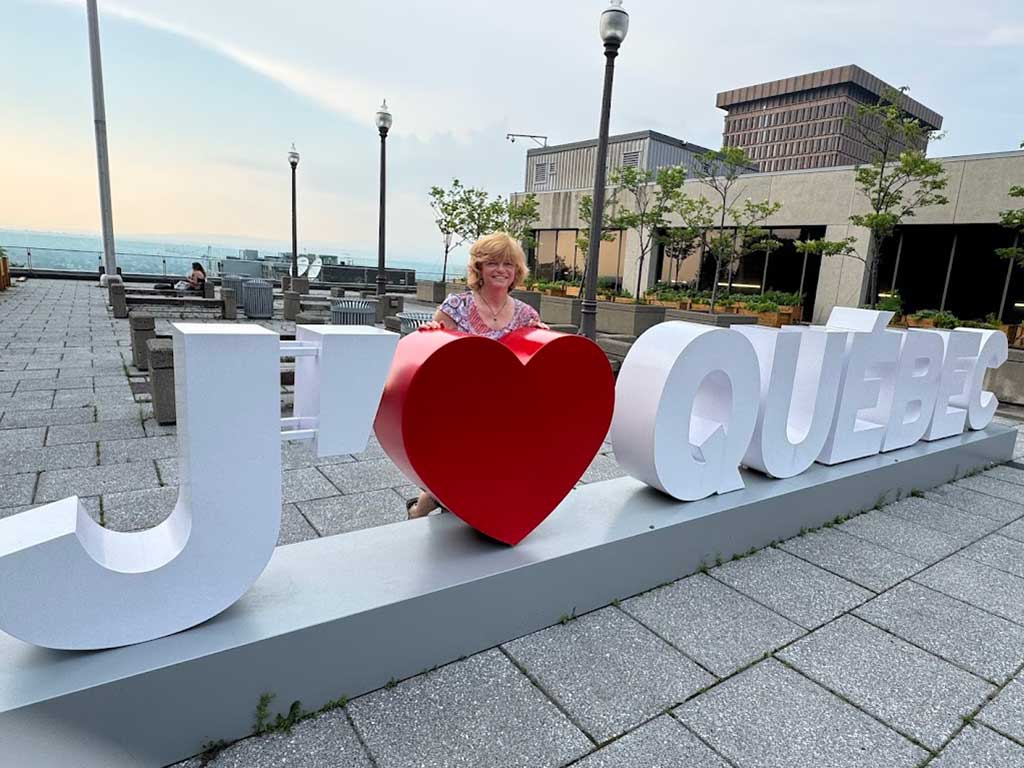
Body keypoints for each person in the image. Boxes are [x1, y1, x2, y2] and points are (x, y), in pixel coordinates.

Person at [406, 232, 548, 519]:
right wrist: (433, 332)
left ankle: (470, 508)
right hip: (461, 403)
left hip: (502, 407)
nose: (501, 270)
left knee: (488, 466)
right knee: (454, 467)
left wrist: (542, 338)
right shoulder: (455, 306)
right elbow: (433, 355)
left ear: (516, 271)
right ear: (479, 268)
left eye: (508, 264)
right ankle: (421, 509)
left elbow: (532, 359)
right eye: (493, 262)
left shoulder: (526, 314)